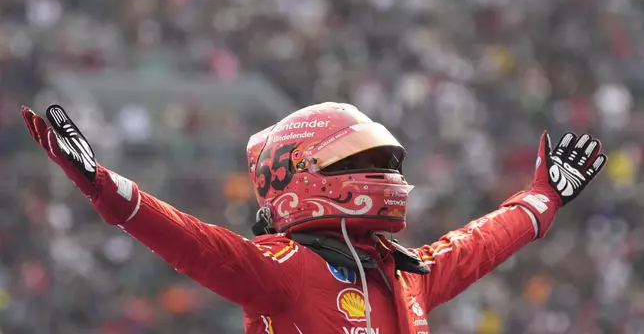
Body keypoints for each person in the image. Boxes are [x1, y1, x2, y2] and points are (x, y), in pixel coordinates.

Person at [21, 102, 607, 334]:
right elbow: (195, 244)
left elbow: (479, 243)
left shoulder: (407, 273)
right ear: (300, 177)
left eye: (382, 161)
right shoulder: (283, 269)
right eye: (364, 161)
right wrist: (104, 186)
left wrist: (543, 199)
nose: (383, 172)